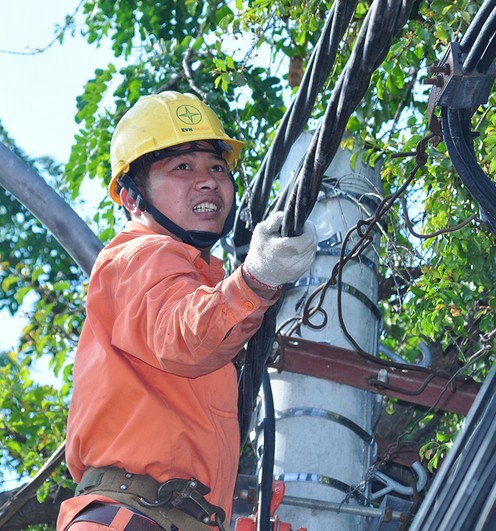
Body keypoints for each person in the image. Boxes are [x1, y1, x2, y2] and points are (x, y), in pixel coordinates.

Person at [56, 91, 317, 531]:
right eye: (182, 167)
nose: (209, 181)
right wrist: (256, 278)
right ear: (132, 197)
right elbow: (185, 334)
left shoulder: (204, 280)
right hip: (132, 517)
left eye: (218, 168)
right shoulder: (138, 255)